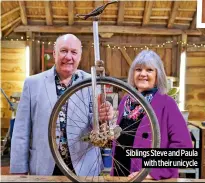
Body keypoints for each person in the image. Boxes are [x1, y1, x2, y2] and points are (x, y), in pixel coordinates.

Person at [10, 34, 113, 176]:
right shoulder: (32, 84)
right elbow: (21, 132)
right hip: (45, 167)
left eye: (74, 52)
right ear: (54, 53)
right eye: (64, 51)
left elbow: (96, 124)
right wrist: (18, 169)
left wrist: (103, 118)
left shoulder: (92, 83)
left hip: (83, 167)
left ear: (80, 56)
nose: (68, 57)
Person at [110, 50, 193, 180]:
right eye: (138, 69)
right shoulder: (125, 101)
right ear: (133, 74)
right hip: (120, 174)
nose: (143, 74)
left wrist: (151, 173)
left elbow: (184, 147)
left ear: (157, 75)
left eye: (149, 70)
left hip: (150, 178)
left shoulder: (167, 103)